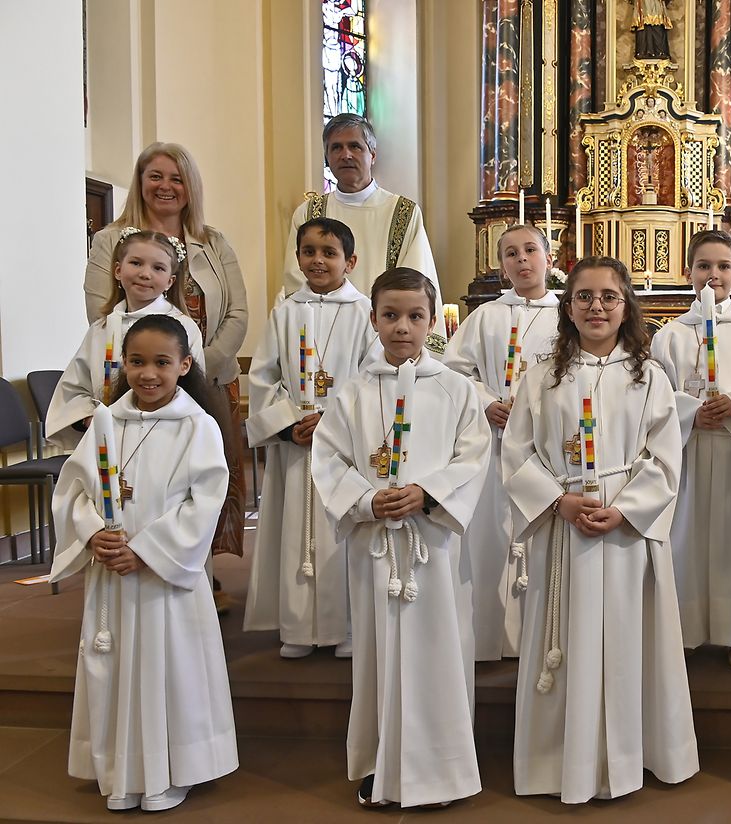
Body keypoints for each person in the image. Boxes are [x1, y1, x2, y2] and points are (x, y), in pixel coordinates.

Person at [502, 257, 699, 803]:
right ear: (567, 307)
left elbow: (665, 458)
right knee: (565, 644)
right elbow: (516, 453)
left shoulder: (648, 376)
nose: (596, 307)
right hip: (563, 525)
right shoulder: (541, 377)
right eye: (584, 296)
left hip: (626, 533)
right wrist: (558, 501)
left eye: (609, 297)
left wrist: (626, 509)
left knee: (628, 642)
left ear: (626, 306)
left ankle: (629, 758)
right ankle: (556, 764)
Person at [311, 267, 490, 809]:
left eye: (415, 316)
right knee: (379, 654)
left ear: (433, 322)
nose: (402, 327)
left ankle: (441, 771)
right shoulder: (353, 393)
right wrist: (367, 501)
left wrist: (427, 493)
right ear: (373, 319)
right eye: (390, 315)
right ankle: (381, 764)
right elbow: (330, 459)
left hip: (434, 544)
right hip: (376, 545)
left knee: (438, 652)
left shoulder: (456, 389)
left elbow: (473, 457)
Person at [50, 314, 236, 813]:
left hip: (163, 577)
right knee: (113, 668)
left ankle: (168, 771)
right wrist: (92, 533)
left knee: (165, 669)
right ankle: (119, 770)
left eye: (161, 362)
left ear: (184, 365)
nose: (148, 373)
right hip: (111, 572)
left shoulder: (197, 426)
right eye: (136, 362)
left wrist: (146, 550)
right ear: (122, 365)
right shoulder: (106, 423)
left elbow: (206, 501)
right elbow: (75, 490)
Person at [85, 142, 249, 591]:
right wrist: (153, 372)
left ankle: (196, 575)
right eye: (155, 176)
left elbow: (237, 313)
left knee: (203, 483)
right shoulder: (110, 239)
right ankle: (137, 565)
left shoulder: (213, 241)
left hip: (206, 381)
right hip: (135, 387)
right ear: (140, 181)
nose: (166, 186)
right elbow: (101, 312)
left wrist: (192, 370)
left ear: (191, 186)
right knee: (147, 482)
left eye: (177, 178)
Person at [243, 218, 376, 659]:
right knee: (295, 531)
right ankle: (298, 627)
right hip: (296, 445)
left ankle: (347, 626)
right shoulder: (285, 312)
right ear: (298, 258)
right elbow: (263, 377)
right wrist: (288, 424)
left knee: (345, 530)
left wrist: (332, 421)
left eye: (329, 252)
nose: (318, 260)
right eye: (309, 251)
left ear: (350, 261)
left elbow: (372, 377)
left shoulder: (365, 313)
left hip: (344, 448)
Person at [650, 229, 731, 668]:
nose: (714, 275)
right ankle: (684, 631)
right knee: (685, 538)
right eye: (703, 266)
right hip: (686, 455)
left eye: (724, 266)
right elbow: (653, 395)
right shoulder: (670, 334)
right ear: (687, 272)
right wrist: (690, 413)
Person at [442, 224, 561, 661]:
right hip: (493, 442)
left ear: (549, 258)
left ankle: (540, 635)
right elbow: (455, 371)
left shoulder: (567, 316)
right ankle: (490, 636)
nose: (522, 259)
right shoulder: (486, 317)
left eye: (530, 250)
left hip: (546, 450)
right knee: (492, 535)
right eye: (511, 253)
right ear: (501, 265)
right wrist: (487, 402)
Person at [283, 113, 445, 339]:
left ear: (373, 155)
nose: (345, 155)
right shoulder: (309, 213)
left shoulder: (403, 212)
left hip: (386, 339)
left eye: (355, 146)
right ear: (327, 157)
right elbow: (296, 280)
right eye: (336, 148)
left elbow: (415, 283)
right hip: (323, 335)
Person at [47, 228, 204, 449]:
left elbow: (193, 390)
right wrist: (90, 417)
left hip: (165, 437)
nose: (145, 274)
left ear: (170, 281)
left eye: (158, 268)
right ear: (118, 270)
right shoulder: (101, 329)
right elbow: (75, 389)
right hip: (108, 436)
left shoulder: (184, 328)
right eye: (136, 263)